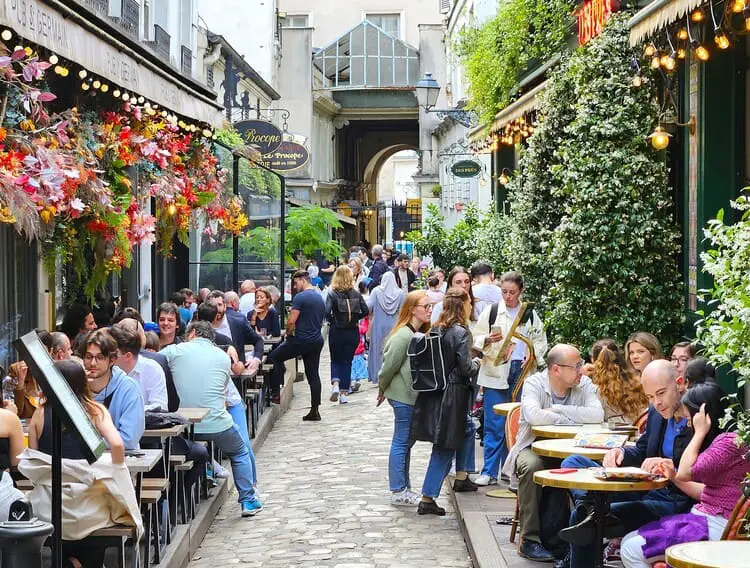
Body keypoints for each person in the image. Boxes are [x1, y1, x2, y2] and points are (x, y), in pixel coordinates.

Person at [560, 360, 693, 568]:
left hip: (671, 501)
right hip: (644, 487)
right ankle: (590, 504)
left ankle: (590, 509)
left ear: (680, 383)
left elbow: (699, 471)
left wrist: (669, 467)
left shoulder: (694, 419)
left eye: (661, 393)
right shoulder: (656, 412)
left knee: (584, 516)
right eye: (650, 396)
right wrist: (619, 452)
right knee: (572, 462)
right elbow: (641, 450)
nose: (657, 402)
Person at [619, 382, 747, 568]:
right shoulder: (726, 441)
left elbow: (687, 472)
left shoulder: (727, 443)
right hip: (708, 518)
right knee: (629, 539)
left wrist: (700, 432)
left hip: (716, 524)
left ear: (703, 415)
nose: (688, 424)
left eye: (689, 419)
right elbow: (706, 492)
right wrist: (673, 475)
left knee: (631, 549)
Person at [502, 344, 604, 562]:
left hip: (572, 448)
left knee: (573, 466)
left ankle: (575, 533)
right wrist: (574, 418)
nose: (582, 370)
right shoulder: (534, 383)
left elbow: (596, 414)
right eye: (576, 366)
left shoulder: (583, 384)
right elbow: (533, 415)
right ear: (556, 369)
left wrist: (558, 410)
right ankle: (530, 540)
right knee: (532, 467)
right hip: (533, 446)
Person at [161, 321, 263, 517]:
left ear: (192, 333)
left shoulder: (174, 351)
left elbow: (154, 361)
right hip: (216, 422)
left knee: (191, 447)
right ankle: (248, 501)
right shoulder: (222, 357)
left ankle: (210, 470)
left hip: (183, 425)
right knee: (240, 451)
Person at [471, 272, 548, 487]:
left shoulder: (530, 314)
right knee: (494, 423)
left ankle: (510, 468)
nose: (508, 296)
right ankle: (489, 470)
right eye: (504, 292)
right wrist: (487, 339)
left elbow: (541, 341)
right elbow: (475, 338)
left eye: (512, 292)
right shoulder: (493, 311)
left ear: (521, 291)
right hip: (496, 372)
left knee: (517, 422)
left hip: (522, 372)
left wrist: (531, 354)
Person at [409, 288, 480, 516]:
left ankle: (462, 476)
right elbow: (466, 367)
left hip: (437, 392)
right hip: (453, 395)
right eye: (470, 302)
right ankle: (427, 498)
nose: (472, 306)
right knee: (444, 446)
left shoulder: (438, 328)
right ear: (463, 305)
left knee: (468, 428)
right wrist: (479, 361)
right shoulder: (461, 332)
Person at [377, 290, 432, 506]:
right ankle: (398, 489)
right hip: (402, 396)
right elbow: (388, 367)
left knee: (406, 442)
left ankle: (404, 487)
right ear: (412, 309)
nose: (429, 310)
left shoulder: (414, 334)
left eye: (430, 306)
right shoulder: (403, 336)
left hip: (409, 395)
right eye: (425, 306)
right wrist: (382, 389)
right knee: (401, 441)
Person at [29, 359, 125, 463]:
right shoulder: (96, 411)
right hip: (87, 477)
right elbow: (117, 444)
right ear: (84, 382)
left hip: (49, 477)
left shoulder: (39, 413)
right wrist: (117, 470)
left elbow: (34, 456)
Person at [265, 270, 326, 420]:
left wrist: (288, 334)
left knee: (274, 357)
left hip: (300, 339)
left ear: (302, 280)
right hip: (316, 340)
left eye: (296, 282)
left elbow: (292, 320)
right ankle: (315, 409)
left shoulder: (300, 297)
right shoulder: (319, 297)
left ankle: (275, 393)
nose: (294, 286)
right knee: (313, 374)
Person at [79, 329, 145, 450]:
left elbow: (128, 439)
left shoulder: (129, 389)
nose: (93, 363)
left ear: (112, 360)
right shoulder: (76, 386)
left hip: (121, 462)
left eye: (100, 357)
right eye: (88, 357)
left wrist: (89, 444)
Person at [325, 266, 369, 404]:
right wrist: (356, 318)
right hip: (352, 331)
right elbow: (366, 310)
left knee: (336, 359)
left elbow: (326, 312)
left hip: (337, 330)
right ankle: (344, 392)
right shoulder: (356, 294)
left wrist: (333, 321)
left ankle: (336, 384)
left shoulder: (332, 293)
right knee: (347, 361)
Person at [588, 339, 648, 425]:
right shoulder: (636, 383)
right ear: (620, 358)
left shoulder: (592, 388)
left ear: (593, 359)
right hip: (637, 431)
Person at [110, 325, 168, 412]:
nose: (108, 357)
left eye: (113, 354)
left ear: (127, 356)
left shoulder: (152, 369)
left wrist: (129, 410)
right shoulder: (104, 369)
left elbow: (160, 407)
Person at [366, 271, 405, 385]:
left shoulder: (376, 292)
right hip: (394, 325)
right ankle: (393, 374)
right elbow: (403, 310)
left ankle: (378, 375)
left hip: (378, 325)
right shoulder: (400, 293)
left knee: (378, 350)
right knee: (393, 350)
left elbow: (369, 307)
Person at [222, 291, 265, 367]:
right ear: (233, 303)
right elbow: (252, 337)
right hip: (236, 363)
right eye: (238, 303)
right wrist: (256, 359)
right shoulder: (240, 318)